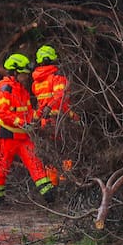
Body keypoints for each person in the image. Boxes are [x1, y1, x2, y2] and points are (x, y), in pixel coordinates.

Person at [0, 53, 54, 207]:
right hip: (8, 135)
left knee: (35, 162)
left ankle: (49, 195)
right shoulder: (5, 89)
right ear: (14, 72)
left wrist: (38, 116)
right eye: (24, 74)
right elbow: (3, 113)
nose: (26, 77)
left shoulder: (22, 90)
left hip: (23, 135)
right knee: (2, 166)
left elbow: (28, 112)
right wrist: (21, 123)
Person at [32, 44, 73, 188]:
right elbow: (60, 97)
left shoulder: (36, 83)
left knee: (49, 154)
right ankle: (66, 183)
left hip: (45, 123)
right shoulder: (57, 78)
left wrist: (36, 118)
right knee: (65, 152)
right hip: (60, 121)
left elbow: (39, 104)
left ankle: (52, 184)